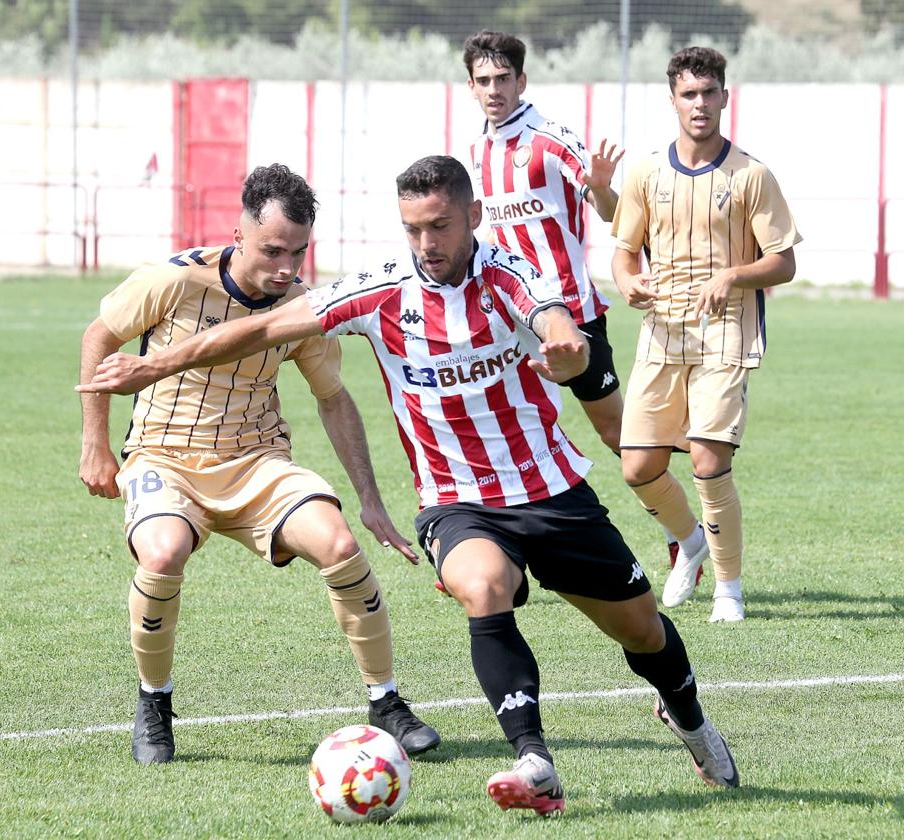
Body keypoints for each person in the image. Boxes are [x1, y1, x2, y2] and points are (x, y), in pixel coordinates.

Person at [80, 155, 739, 815]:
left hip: (550, 491)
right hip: (454, 502)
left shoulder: (509, 274)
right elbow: (256, 329)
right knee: (482, 588)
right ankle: (533, 759)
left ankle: (687, 716)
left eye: (440, 226)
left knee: (643, 632)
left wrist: (569, 349)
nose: (427, 244)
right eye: (413, 229)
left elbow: (551, 320)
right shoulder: (378, 287)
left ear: (472, 218)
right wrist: (152, 366)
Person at [77, 163, 439, 765]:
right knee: (162, 553)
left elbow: (333, 397)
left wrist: (371, 499)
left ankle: (386, 701)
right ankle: (154, 703)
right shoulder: (173, 280)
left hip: (256, 461)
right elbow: (98, 338)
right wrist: (95, 443)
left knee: (341, 544)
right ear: (240, 231)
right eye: (273, 250)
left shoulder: (299, 304)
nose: (285, 268)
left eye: (298, 252)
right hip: (165, 459)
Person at [463, 29, 695, 570]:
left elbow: (609, 211)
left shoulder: (553, 139)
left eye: (503, 79)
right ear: (470, 87)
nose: (494, 89)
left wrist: (604, 185)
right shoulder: (473, 153)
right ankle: (476, 548)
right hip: (505, 322)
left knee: (619, 436)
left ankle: (686, 534)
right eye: (483, 81)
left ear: (522, 81)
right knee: (488, 429)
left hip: (571, 314)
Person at [610, 47, 802, 623]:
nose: (699, 103)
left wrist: (733, 275)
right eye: (688, 94)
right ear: (673, 101)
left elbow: (784, 262)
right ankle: (690, 542)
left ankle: (729, 589)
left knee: (706, 458)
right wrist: (628, 284)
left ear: (725, 96)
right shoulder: (645, 172)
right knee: (637, 467)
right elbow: (622, 254)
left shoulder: (752, 175)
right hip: (662, 332)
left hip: (726, 333)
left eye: (708, 92)